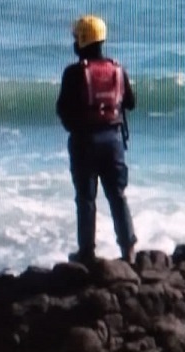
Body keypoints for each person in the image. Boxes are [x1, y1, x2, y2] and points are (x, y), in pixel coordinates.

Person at [56, 14, 137, 264]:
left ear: (81, 40)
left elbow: (62, 109)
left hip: (85, 142)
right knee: (117, 195)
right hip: (113, 142)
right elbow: (131, 104)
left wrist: (75, 127)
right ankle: (128, 250)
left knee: (86, 198)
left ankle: (87, 253)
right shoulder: (118, 69)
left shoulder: (74, 73)